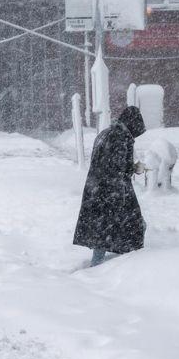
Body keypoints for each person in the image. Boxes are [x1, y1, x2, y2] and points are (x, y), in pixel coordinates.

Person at [73, 106, 147, 267]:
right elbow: (117, 169)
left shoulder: (106, 133)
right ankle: (126, 265)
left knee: (103, 230)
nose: (135, 135)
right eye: (136, 130)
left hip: (97, 188)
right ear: (132, 124)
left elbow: (107, 163)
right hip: (112, 191)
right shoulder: (120, 138)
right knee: (134, 226)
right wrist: (134, 169)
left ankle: (102, 265)